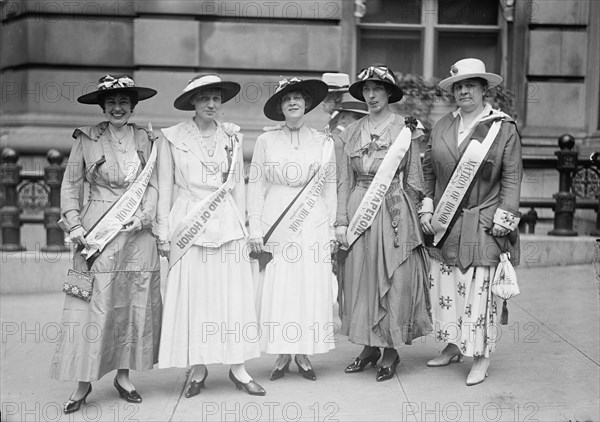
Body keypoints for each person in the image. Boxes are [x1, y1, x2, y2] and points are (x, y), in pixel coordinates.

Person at [51, 74, 162, 414]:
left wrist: (144, 217)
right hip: (96, 230)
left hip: (136, 234)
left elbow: (155, 185)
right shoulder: (86, 139)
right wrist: (74, 224)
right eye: (111, 102)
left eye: (124, 102)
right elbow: (70, 186)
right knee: (90, 307)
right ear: (102, 106)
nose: (118, 108)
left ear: (133, 106)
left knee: (131, 302)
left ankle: (124, 376)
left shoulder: (146, 138)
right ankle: (83, 382)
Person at [155, 74, 265, 396]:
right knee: (196, 298)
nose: (211, 104)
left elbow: (239, 187)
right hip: (189, 224)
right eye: (204, 99)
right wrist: (163, 232)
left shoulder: (232, 137)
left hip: (227, 226)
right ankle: (199, 368)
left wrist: (247, 231)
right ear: (192, 102)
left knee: (232, 298)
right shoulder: (172, 138)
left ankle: (238, 369)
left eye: (216, 98)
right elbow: (164, 187)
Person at [420, 58, 522, 386]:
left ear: (483, 89)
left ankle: (480, 356)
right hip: (446, 224)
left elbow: (512, 176)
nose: (464, 91)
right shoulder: (442, 125)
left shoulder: (502, 128)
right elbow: (428, 171)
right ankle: (452, 344)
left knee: (479, 292)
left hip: (483, 221)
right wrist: (426, 207)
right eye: (458, 86)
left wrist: (504, 218)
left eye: (470, 85)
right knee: (448, 288)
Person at [335, 64, 432, 382]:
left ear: (389, 92)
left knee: (394, 281)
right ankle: (368, 347)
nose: (372, 94)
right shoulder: (349, 133)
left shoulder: (407, 130)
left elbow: (416, 179)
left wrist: (422, 212)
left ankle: (390, 350)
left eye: (378, 88)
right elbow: (343, 181)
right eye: (366, 89)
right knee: (360, 279)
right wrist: (340, 221)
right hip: (359, 209)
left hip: (393, 213)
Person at [248, 77, 336, 381]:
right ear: (280, 107)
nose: (293, 102)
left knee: (307, 285)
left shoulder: (324, 142)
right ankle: (283, 352)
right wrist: (255, 227)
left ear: (307, 103)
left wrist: (333, 226)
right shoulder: (266, 141)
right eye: (287, 99)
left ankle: (304, 352)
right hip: (278, 218)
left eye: (298, 97)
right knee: (281, 286)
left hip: (313, 221)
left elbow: (330, 186)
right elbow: (256, 185)